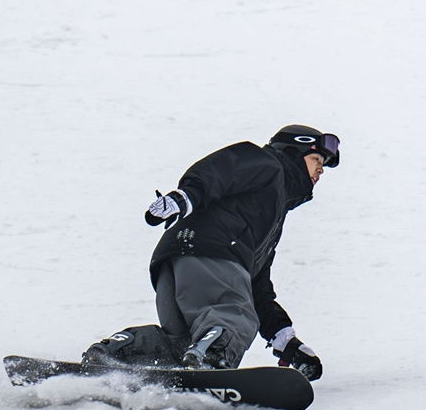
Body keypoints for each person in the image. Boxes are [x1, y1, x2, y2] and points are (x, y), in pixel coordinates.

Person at [82, 125, 338, 382]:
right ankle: (211, 361)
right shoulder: (269, 164)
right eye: (316, 159)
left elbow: (255, 287)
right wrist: (185, 198)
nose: (320, 169)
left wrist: (286, 340)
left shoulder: (267, 216)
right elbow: (223, 170)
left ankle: (118, 353)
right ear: (293, 153)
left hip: (175, 261)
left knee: (181, 344)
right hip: (215, 251)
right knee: (236, 318)